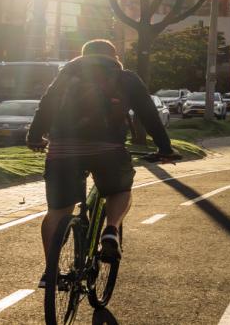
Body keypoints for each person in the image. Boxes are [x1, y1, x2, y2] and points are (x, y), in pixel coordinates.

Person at [27, 39, 181, 288]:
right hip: (108, 149)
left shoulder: (67, 73)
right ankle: (111, 229)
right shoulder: (127, 78)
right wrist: (165, 148)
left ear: (83, 55)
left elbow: (47, 105)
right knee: (120, 190)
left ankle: (51, 272)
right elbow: (149, 114)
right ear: (114, 56)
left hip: (63, 149)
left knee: (57, 211)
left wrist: (34, 137)